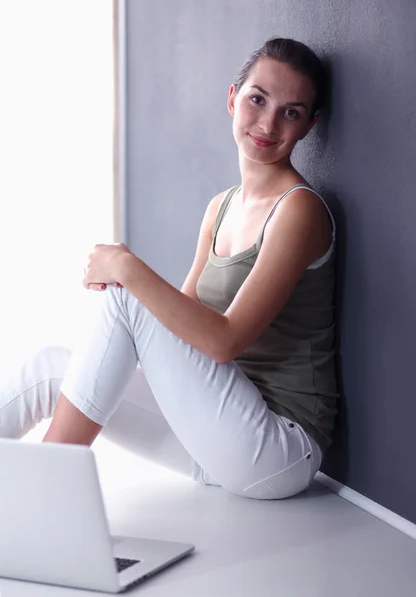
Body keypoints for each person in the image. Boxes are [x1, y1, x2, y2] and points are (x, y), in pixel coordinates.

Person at [0, 37, 338, 500]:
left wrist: (125, 266)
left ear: (308, 125)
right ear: (232, 97)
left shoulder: (299, 210)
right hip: (216, 432)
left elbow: (223, 341)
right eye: (258, 99)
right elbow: (176, 330)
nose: (268, 121)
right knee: (49, 368)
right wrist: (129, 283)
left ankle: (37, 501)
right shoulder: (221, 207)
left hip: (278, 449)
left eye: (291, 112)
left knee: (127, 296)